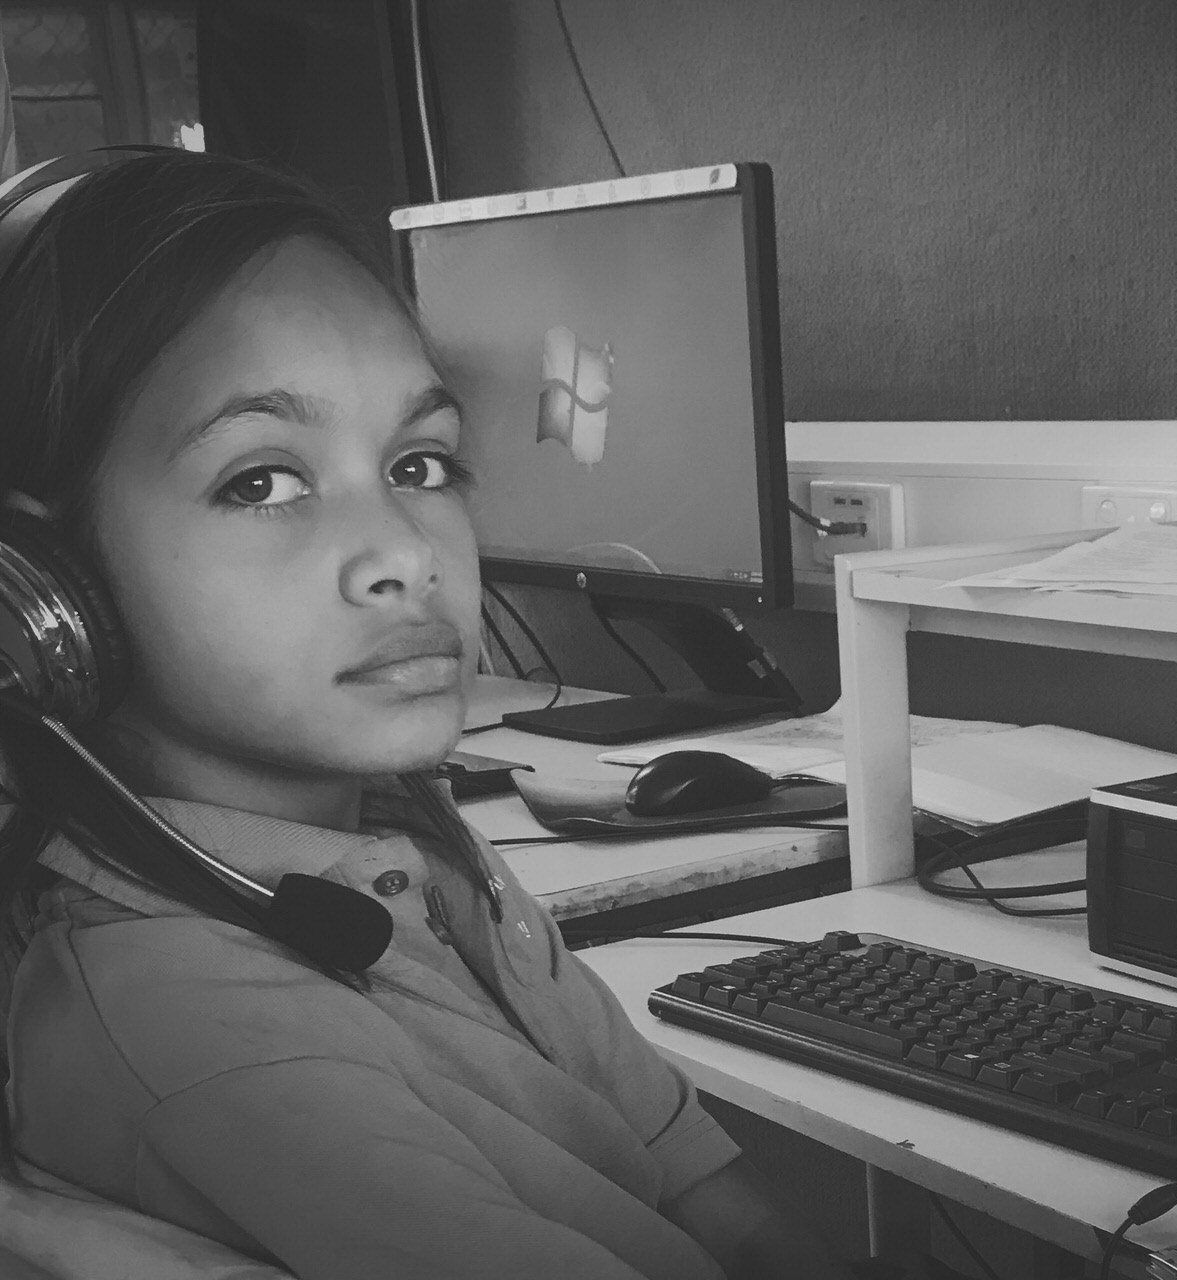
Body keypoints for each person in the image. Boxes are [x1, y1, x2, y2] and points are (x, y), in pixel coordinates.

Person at [0, 147, 860, 1280]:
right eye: (262, 479)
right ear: (40, 585)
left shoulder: (415, 836)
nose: (408, 554)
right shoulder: (201, 1033)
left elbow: (708, 1192)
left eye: (420, 461)